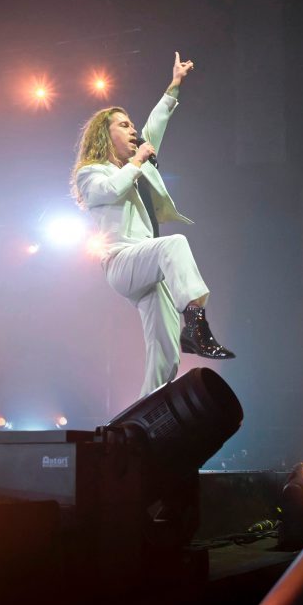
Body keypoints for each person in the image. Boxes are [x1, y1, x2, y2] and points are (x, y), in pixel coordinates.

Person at [72, 52, 234, 398]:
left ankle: (143, 417)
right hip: (122, 261)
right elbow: (110, 190)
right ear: (104, 135)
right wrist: (136, 161)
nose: (133, 130)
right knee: (174, 244)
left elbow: (156, 124)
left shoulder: (138, 162)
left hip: (148, 264)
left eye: (132, 125)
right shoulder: (92, 173)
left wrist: (174, 85)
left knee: (166, 353)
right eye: (124, 125)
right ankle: (196, 324)